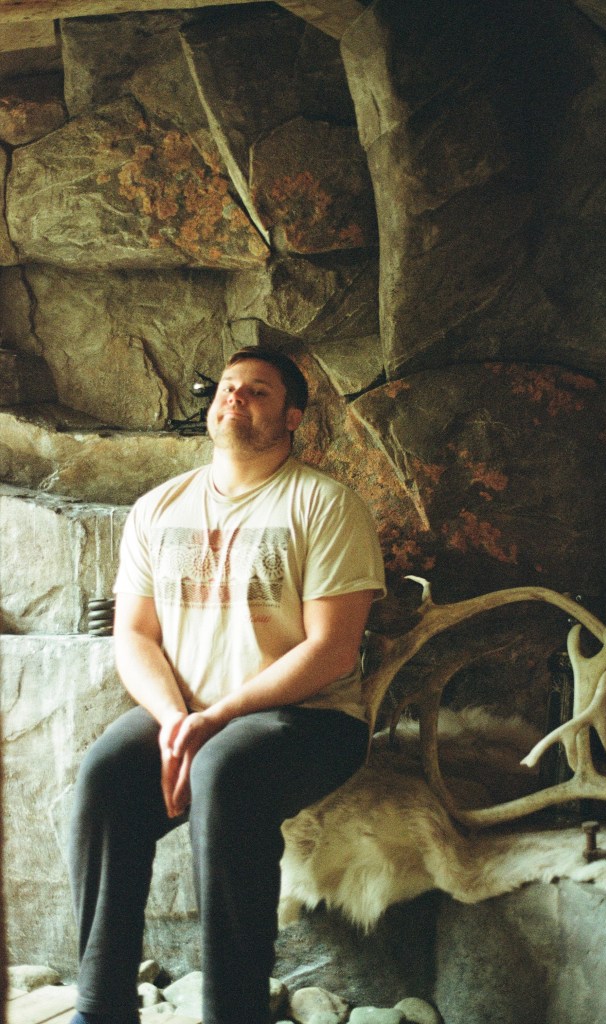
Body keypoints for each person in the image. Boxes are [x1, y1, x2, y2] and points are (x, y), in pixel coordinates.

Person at [68, 346, 386, 1024]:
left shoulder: (325, 505)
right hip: (186, 711)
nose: (234, 397)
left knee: (224, 770)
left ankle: (232, 1011)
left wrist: (212, 722)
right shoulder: (157, 508)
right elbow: (135, 636)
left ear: (293, 416)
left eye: (258, 391)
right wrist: (173, 718)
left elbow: (332, 651)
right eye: (227, 387)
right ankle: (99, 1008)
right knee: (106, 774)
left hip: (308, 717)